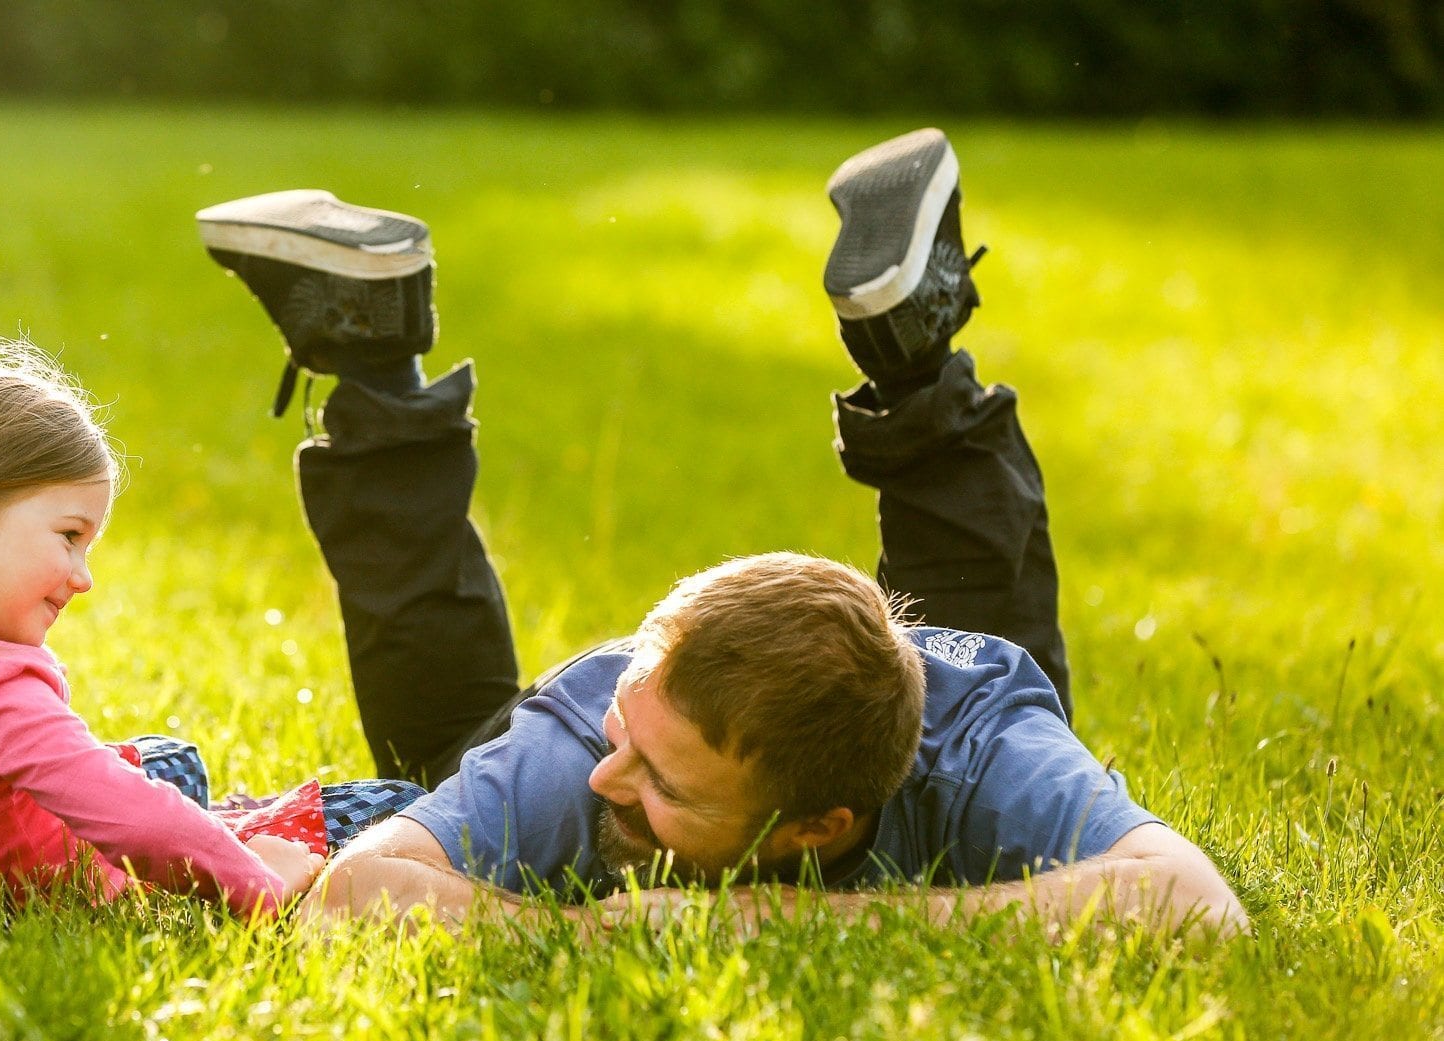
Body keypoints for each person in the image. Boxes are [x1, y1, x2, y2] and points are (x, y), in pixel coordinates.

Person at [196, 128, 1247, 936]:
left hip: (948, 714)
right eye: (633, 741)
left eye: (664, 785)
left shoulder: (981, 753)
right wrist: (599, 933)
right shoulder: (585, 740)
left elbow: (1200, 909)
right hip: (682, 710)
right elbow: (356, 893)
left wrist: (778, 920)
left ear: (818, 830)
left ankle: (375, 354)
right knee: (447, 757)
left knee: (991, 651)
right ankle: (911, 346)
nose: (612, 781)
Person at [0, 339, 422, 917]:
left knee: (170, 759)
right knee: (393, 803)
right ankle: (246, 832)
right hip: (81, 878)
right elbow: (138, 824)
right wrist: (261, 881)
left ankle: (217, 817)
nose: (83, 578)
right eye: (69, 536)